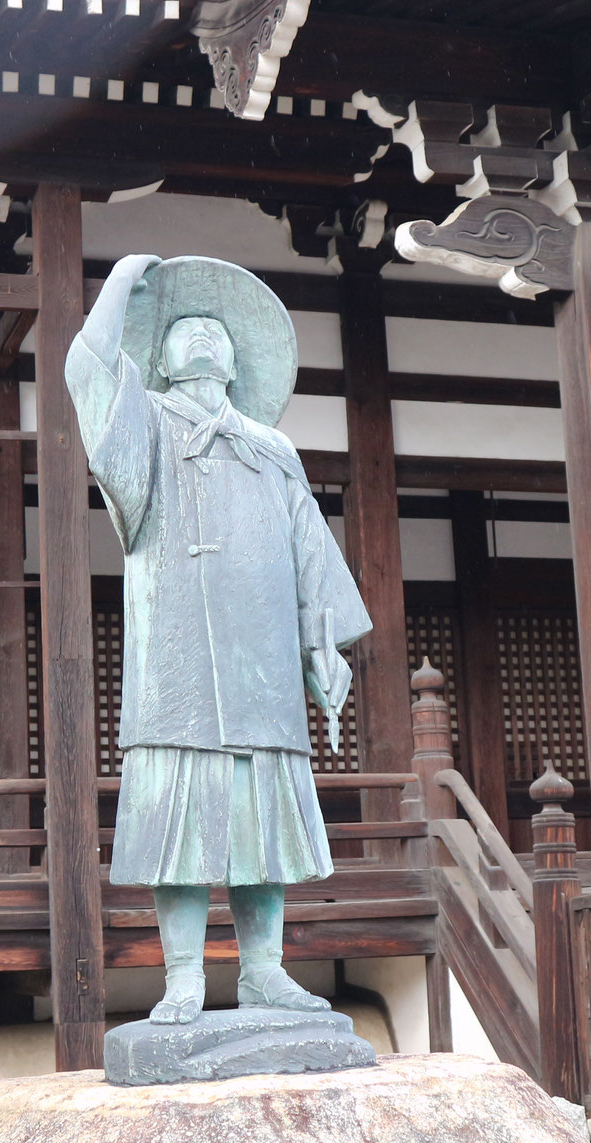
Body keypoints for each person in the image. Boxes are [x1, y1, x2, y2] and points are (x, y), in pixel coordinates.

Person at [64, 252, 372, 1025]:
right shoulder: (146, 429)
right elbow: (88, 372)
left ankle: (265, 969)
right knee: (183, 820)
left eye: (215, 331)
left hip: (262, 665)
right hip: (176, 667)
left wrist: (320, 645)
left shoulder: (274, 450)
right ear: (160, 356)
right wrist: (124, 278)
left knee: (257, 821)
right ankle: (184, 978)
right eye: (185, 329)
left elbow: (310, 551)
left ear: (240, 361)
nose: (202, 338)